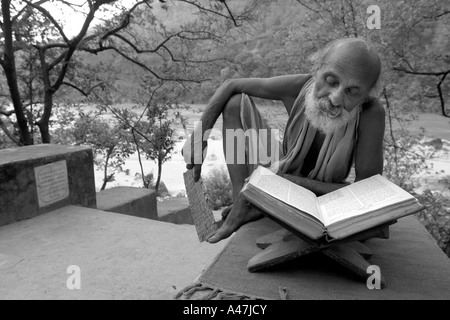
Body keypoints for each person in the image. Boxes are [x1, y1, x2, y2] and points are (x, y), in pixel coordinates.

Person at [183, 37, 385, 243]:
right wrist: (200, 136)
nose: (335, 98)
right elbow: (231, 85)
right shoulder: (299, 87)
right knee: (234, 103)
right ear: (318, 69)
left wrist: (286, 183)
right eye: (331, 81)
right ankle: (240, 201)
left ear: (365, 96)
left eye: (352, 92)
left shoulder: (371, 113)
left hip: (319, 194)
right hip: (280, 167)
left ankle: (256, 198)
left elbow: (366, 192)